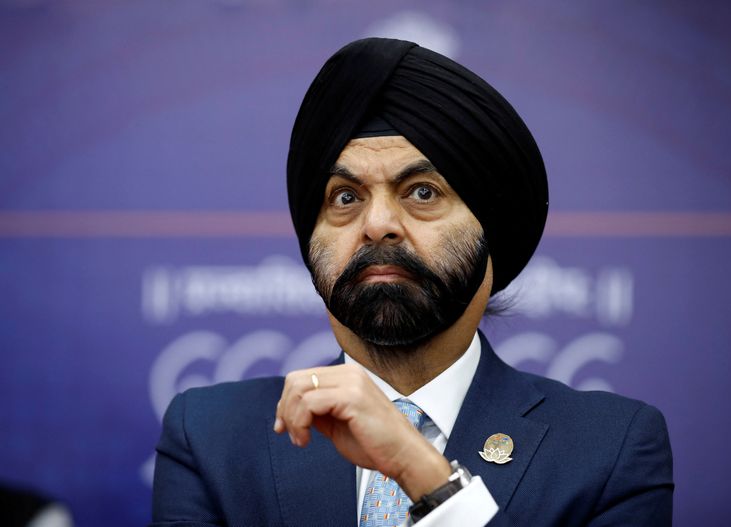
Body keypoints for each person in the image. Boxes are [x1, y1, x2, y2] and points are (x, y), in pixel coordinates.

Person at [150, 38, 673, 526]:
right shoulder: (211, 437)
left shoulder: (610, 449)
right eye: (345, 198)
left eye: (422, 192)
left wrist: (420, 472)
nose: (378, 224)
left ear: (491, 230)